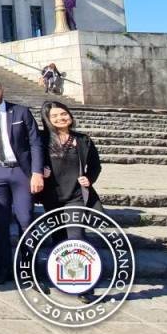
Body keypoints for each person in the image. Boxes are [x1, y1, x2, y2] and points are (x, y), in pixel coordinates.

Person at [0, 77, 44, 285]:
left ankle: (29, 269)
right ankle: (3, 267)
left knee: (26, 220)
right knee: (0, 223)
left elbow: (36, 143)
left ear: (2, 89)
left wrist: (37, 172)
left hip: (21, 173)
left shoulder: (21, 112)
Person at [39, 100, 102, 303]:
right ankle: (64, 277)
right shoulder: (42, 139)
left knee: (77, 237)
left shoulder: (83, 140)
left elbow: (95, 166)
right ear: (48, 120)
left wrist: (89, 178)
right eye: (54, 116)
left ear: (70, 115)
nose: (60, 118)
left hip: (75, 196)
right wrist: (40, 169)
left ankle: (85, 286)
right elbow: (32, 158)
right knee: (58, 238)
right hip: (52, 197)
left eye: (63, 114)